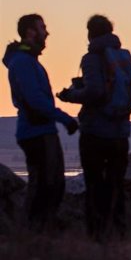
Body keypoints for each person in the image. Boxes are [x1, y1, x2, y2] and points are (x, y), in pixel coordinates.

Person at [57, 15, 131, 240]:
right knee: (116, 185)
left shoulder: (91, 59)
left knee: (94, 185)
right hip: (121, 133)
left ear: (90, 34)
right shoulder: (124, 57)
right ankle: (119, 232)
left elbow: (95, 92)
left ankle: (96, 235)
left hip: (95, 133)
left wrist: (70, 95)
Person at [3, 14, 78, 230]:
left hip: (41, 130)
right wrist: (65, 119)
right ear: (30, 32)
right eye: (42, 28)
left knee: (52, 183)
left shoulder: (28, 61)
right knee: (45, 184)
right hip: (36, 132)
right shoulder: (24, 62)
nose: (47, 32)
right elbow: (35, 99)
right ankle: (34, 231)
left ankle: (40, 230)